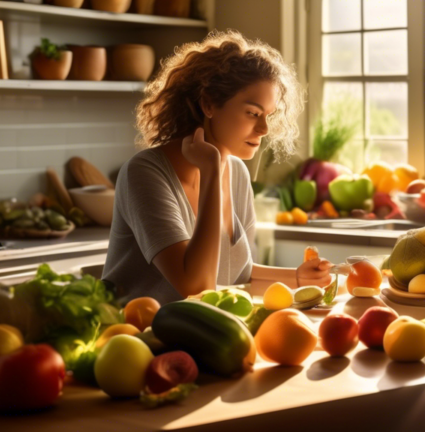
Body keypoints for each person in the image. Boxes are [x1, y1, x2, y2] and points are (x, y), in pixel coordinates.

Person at [102, 30, 332, 305]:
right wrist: (211, 171)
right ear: (209, 103)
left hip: (200, 337)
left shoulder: (236, 172)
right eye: (252, 113)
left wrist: (296, 278)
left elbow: (237, 276)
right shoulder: (144, 174)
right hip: (136, 339)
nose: (263, 129)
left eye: (268, 116)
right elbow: (196, 286)